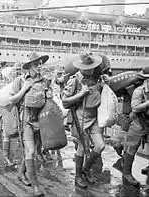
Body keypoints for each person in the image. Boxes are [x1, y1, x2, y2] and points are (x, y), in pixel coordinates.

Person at [62, 52, 109, 189]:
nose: (92, 70)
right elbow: (65, 102)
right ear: (82, 67)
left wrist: (106, 82)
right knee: (82, 147)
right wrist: (81, 93)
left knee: (100, 146)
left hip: (94, 117)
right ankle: (78, 177)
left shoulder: (97, 78)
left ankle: (86, 169)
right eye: (89, 68)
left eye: (93, 67)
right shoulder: (74, 80)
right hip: (81, 116)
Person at [9, 52, 50, 197]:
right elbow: (12, 100)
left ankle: (21, 173)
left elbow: (49, 100)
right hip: (26, 120)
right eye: (36, 64)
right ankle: (36, 186)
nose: (39, 66)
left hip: (40, 120)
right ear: (30, 66)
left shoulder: (45, 80)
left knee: (31, 151)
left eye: (40, 64)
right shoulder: (20, 81)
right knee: (31, 151)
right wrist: (25, 88)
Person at [122, 66, 149, 186]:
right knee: (132, 147)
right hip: (138, 122)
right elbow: (135, 108)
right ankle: (126, 173)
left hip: (147, 122)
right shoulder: (139, 91)